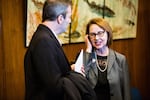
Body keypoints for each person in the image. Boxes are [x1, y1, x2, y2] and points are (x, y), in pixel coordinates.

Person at [24, 0, 97, 100]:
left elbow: (50, 72)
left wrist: (70, 69)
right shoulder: (44, 41)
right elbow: (55, 87)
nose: (70, 21)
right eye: (69, 17)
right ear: (60, 18)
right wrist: (77, 75)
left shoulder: (45, 36)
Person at [77, 17, 131, 100]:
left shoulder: (120, 59)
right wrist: (88, 50)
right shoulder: (83, 57)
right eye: (92, 34)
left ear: (108, 34)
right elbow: (80, 83)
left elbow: (126, 92)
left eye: (100, 33)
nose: (96, 38)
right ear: (88, 37)